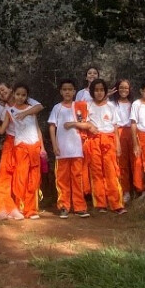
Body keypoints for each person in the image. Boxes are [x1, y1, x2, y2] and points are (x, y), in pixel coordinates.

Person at [70, 78, 125, 214]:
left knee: (111, 171)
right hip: (93, 141)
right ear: (92, 92)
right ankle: (100, 203)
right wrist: (89, 127)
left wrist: (118, 145)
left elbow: (115, 127)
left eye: (102, 90)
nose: (99, 93)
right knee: (96, 172)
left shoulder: (111, 106)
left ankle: (116, 203)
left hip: (109, 141)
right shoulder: (87, 105)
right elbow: (79, 117)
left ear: (105, 92)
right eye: (96, 90)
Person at [48, 79, 88, 218]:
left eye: (70, 89)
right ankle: (64, 206)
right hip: (62, 150)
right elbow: (52, 127)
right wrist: (54, 146)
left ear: (74, 92)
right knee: (62, 179)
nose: (67, 92)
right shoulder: (57, 108)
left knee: (77, 178)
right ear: (60, 91)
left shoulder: (79, 107)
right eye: (64, 89)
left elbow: (85, 124)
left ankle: (80, 207)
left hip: (77, 149)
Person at [8, 84, 46, 219]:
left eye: (23, 95)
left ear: (27, 96)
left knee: (34, 178)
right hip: (20, 146)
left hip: (34, 145)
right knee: (20, 177)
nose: (20, 97)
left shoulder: (32, 109)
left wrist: (42, 147)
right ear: (13, 94)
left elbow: (37, 127)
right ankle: (20, 207)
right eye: (18, 94)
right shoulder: (10, 110)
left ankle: (32, 210)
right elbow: (2, 127)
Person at [112, 78, 143, 201]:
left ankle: (140, 188)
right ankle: (125, 191)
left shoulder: (134, 104)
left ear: (129, 90)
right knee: (122, 163)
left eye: (126, 88)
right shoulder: (113, 104)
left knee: (137, 161)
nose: (123, 90)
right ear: (117, 89)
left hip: (133, 132)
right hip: (119, 132)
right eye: (121, 87)